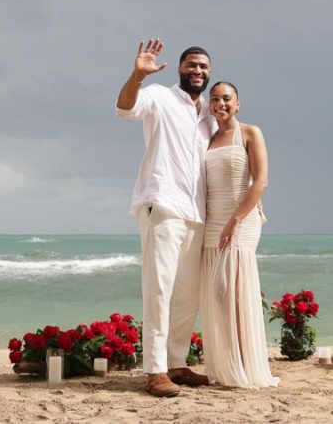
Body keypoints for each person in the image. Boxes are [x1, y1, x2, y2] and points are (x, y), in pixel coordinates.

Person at [115, 38, 214, 397]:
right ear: (180, 69)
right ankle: (155, 370)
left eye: (203, 66)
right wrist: (137, 75)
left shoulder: (209, 116)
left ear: (209, 72)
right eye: (192, 65)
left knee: (188, 295)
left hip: (197, 214)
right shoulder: (159, 95)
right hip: (162, 204)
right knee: (159, 291)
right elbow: (125, 108)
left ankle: (176, 363)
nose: (197, 70)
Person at [199, 81, 279, 388]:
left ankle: (246, 366)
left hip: (240, 221)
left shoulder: (249, 132)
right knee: (217, 296)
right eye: (215, 98)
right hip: (211, 221)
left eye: (226, 98)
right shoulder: (206, 137)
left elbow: (260, 183)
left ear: (238, 103)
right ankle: (225, 366)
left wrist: (234, 221)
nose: (220, 103)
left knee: (233, 292)